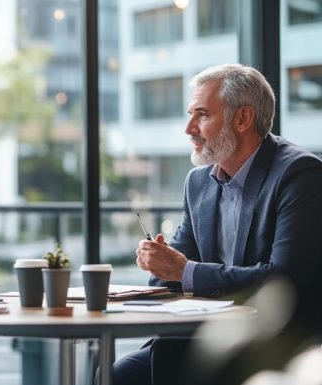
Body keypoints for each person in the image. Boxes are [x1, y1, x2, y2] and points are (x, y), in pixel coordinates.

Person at [112, 64, 322, 385]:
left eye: (202, 115)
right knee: (113, 374)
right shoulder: (198, 182)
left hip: (276, 345)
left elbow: (282, 281)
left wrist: (183, 271)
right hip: (202, 338)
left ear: (242, 119)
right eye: (190, 114)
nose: (188, 128)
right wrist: (162, 265)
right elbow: (172, 277)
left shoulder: (300, 175)